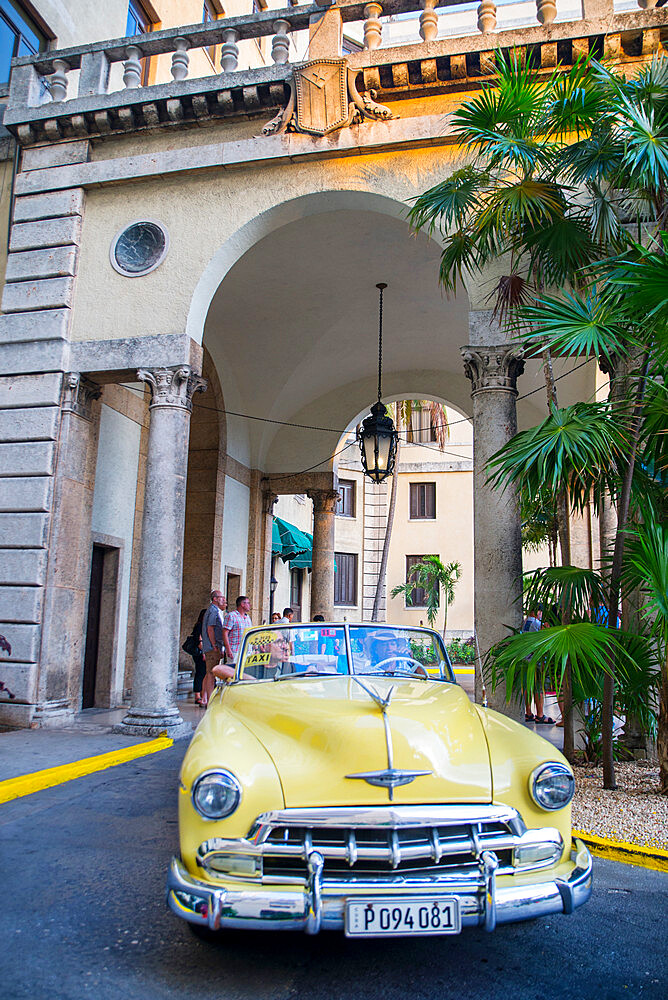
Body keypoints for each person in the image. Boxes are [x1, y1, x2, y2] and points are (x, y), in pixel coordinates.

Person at [522, 607, 554, 725]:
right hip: (536, 660)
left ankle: (528, 712)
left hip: (526, 659)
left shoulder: (525, 622)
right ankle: (540, 715)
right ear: (536, 612)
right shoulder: (537, 624)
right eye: (541, 612)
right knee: (539, 687)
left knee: (527, 687)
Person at [200, 591, 227, 706]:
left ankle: (205, 697)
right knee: (211, 673)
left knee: (209, 673)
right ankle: (210, 698)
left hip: (212, 646)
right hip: (212, 647)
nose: (223, 600)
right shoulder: (213, 611)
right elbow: (210, 629)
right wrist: (214, 644)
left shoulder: (215, 611)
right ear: (215, 599)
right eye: (221, 597)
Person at [222, 595, 253, 665]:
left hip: (247, 650)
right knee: (233, 670)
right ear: (242, 604)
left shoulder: (247, 617)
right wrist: (228, 649)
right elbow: (225, 632)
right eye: (248, 603)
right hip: (235, 650)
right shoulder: (231, 616)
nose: (250, 605)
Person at [187, 608, 207, 706]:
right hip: (200, 653)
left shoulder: (200, 625)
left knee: (202, 673)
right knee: (200, 673)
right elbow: (200, 641)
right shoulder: (200, 626)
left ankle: (201, 694)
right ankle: (197, 695)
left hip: (200, 653)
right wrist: (203, 653)